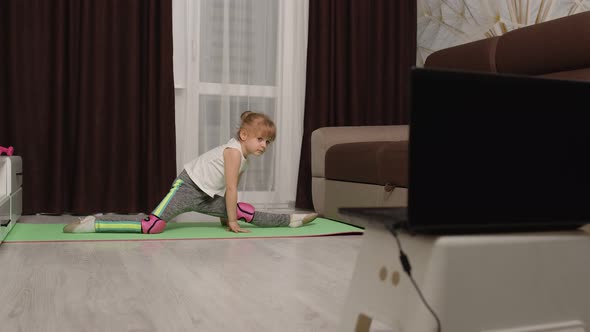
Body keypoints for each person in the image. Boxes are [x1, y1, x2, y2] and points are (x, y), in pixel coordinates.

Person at [63, 111, 318, 234]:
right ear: (244, 136)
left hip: (206, 196)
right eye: (261, 139)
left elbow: (231, 194)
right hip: (187, 187)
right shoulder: (233, 152)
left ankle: (290, 220)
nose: (264, 145)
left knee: (244, 210)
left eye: (268, 142)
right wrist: (230, 221)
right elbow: (230, 188)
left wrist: (227, 216)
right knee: (153, 226)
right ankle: (94, 224)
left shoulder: (244, 159)